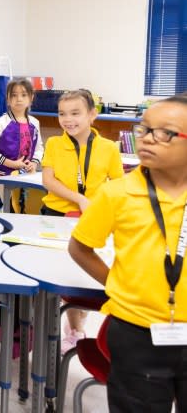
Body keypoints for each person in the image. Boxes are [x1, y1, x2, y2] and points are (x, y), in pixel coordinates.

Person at [69, 93, 187, 412]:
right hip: (137, 333)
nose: (147, 139)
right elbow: (79, 246)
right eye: (144, 129)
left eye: (164, 132)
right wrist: (118, 284)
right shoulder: (118, 193)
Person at [41, 88, 124, 352]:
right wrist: (78, 198)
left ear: (92, 115)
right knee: (57, 272)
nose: (68, 119)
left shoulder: (109, 148)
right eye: (62, 114)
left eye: (75, 113)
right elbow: (48, 180)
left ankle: (76, 326)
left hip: (94, 218)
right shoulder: (54, 143)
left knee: (82, 271)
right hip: (55, 215)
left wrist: (99, 206)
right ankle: (70, 327)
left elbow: (119, 184)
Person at [0, 78, 44, 211]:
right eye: (14, 95)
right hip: (3, 173)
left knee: (27, 206)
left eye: (23, 95)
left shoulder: (34, 122)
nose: (19, 99)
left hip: (27, 172)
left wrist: (34, 162)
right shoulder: (0, 123)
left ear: (31, 98)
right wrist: (10, 163)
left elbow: (39, 147)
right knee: (8, 206)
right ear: (8, 99)